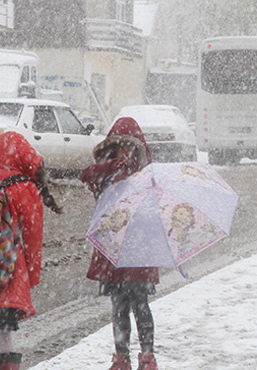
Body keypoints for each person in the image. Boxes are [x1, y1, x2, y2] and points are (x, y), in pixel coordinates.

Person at [80, 117, 159, 370]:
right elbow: (86, 175)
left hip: (139, 250)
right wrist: (115, 166)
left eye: (131, 146)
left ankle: (147, 356)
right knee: (119, 305)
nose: (127, 151)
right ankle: (121, 356)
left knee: (141, 303)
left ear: (138, 148)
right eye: (122, 145)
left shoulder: (148, 174)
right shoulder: (107, 172)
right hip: (113, 250)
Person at [0, 132, 62, 369]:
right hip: (7, 273)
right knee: (4, 337)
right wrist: (31, 275)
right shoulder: (25, 187)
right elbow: (32, 238)